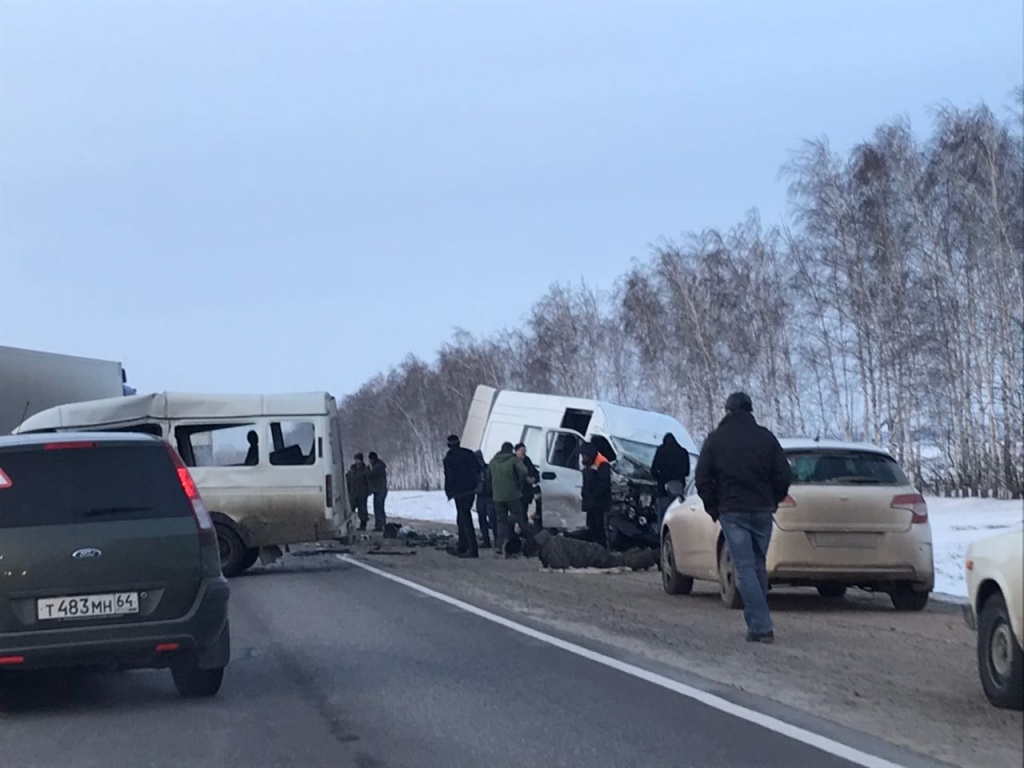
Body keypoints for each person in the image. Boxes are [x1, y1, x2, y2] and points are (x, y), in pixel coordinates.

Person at [694, 391, 792, 644]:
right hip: (762, 510)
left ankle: (761, 626)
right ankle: (756, 624)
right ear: (750, 410)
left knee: (745, 567)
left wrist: (713, 507)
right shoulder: (766, 438)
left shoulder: (716, 440)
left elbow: (702, 477)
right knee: (758, 565)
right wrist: (774, 499)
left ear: (728, 411)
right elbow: (783, 474)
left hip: (733, 510)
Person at [488, 441, 529, 557]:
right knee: (519, 518)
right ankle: (522, 545)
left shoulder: (493, 461)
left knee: (501, 521)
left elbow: (488, 476)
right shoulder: (513, 460)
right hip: (513, 495)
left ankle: (499, 546)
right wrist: (520, 484)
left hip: (498, 496)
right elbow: (524, 471)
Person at [443, 435, 480, 558]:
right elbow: (478, 469)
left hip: (459, 491)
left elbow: (450, 476)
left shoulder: (449, 459)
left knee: (465, 517)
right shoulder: (469, 454)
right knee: (463, 516)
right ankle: (463, 546)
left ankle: (472, 549)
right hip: (471, 489)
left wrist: (448, 491)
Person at [652, 432, 691, 524]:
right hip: (678, 491)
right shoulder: (683, 452)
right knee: (677, 517)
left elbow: (653, 469)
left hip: (663, 491)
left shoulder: (661, 451)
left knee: (663, 516)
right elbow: (687, 472)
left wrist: (660, 479)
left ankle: (663, 536)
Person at [580, 442, 612, 547]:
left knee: (599, 527)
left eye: (584, 455)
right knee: (592, 526)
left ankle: (602, 548)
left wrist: (592, 495)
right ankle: (593, 547)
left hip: (599, 503)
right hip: (592, 502)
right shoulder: (591, 463)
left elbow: (603, 484)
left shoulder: (602, 463)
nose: (582, 458)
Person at [514, 443, 542, 525]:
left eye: (525, 451)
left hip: (525, 492)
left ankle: (523, 528)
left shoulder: (527, 460)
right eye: (522, 451)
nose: (524, 453)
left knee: (523, 511)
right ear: (516, 451)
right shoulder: (513, 461)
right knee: (518, 513)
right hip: (515, 491)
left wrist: (534, 479)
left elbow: (534, 472)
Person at [474, 449, 495, 549]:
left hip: (488, 497)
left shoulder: (487, 469)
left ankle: (494, 539)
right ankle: (487, 540)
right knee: (483, 519)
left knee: (492, 519)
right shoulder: (476, 471)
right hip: (482, 497)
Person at [346, 453, 372, 531]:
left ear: (361, 460)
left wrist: (368, 491)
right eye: (355, 459)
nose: (356, 461)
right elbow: (348, 479)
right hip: (352, 493)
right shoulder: (352, 469)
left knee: (362, 510)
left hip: (362, 493)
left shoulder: (365, 470)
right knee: (350, 510)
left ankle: (363, 525)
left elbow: (368, 481)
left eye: (358, 459)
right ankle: (350, 525)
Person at [368, 451, 388, 532]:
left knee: (378, 508)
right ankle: (382, 524)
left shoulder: (377, 467)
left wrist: (367, 470)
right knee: (380, 507)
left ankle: (379, 525)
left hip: (379, 489)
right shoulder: (380, 465)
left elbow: (371, 474)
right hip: (380, 489)